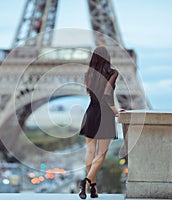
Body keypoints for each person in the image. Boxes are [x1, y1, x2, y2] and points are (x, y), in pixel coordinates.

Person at [78, 46, 119, 199]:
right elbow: (107, 95)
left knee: (90, 152)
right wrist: (116, 110)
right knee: (101, 154)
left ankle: (92, 188)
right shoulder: (112, 73)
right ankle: (86, 182)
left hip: (91, 112)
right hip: (105, 116)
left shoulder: (88, 74)